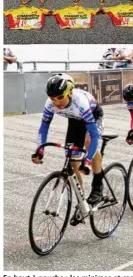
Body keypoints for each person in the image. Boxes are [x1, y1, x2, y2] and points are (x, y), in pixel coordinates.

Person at [32, 74, 104, 225]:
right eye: (52, 98)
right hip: (75, 119)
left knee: (89, 141)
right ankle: (81, 201)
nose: (56, 101)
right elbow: (43, 128)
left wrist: (88, 160)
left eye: (59, 97)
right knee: (73, 161)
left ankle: (98, 186)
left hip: (92, 115)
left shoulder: (81, 103)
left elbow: (95, 136)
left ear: (70, 93)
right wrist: (40, 151)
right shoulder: (50, 103)